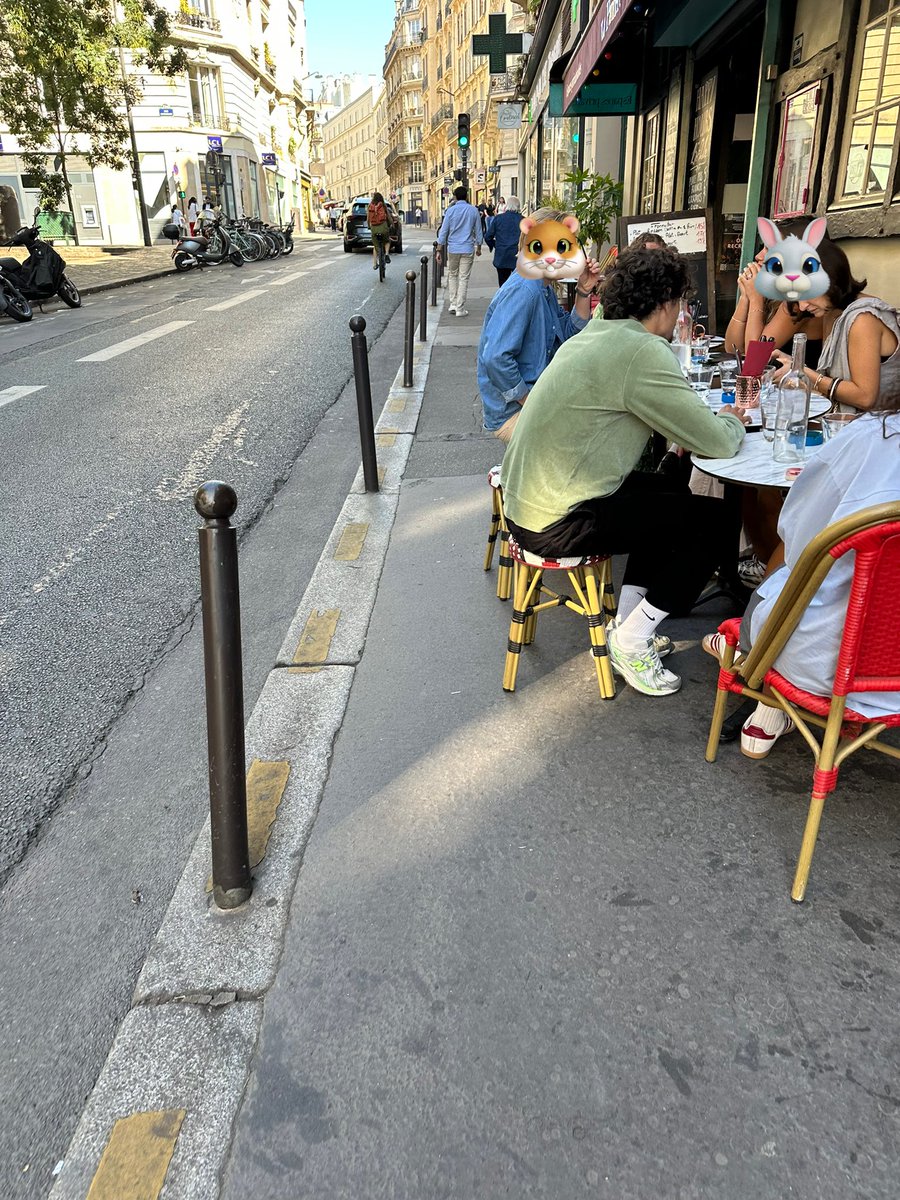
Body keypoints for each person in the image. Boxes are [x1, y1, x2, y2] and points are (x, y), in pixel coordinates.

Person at [501, 247, 750, 697]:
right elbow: (715, 440)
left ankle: (629, 624)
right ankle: (633, 639)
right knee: (716, 523)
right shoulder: (640, 351)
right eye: (681, 304)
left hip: (528, 507)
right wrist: (734, 416)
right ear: (667, 303)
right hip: (558, 520)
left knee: (668, 493)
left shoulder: (600, 331)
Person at [704, 392, 900, 757]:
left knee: (792, 563)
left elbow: (797, 533)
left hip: (823, 664)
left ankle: (746, 658)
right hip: (888, 671)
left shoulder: (872, 439)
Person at [479, 206, 601, 444]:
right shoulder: (526, 291)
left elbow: (568, 335)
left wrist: (584, 291)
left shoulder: (542, 287)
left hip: (534, 399)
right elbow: (495, 358)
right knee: (589, 441)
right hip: (513, 412)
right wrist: (532, 402)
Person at [769, 239, 900, 413]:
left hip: (880, 430)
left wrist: (803, 372)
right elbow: (832, 383)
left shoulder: (863, 319)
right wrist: (795, 367)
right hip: (846, 424)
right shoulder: (832, 312)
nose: (802, 306)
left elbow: (865, 397)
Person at [724, 219, 826, 362]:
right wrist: (745, 297)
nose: (758, 256)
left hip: (796, 382)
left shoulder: (801, 301)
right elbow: (732, 348)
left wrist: (756, 298)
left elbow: (755, 358)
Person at [436, 185, 483, 317]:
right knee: (464, 278)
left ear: (455, 197)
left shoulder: (450, 211)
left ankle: (453, 303)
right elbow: (478, 231)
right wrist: (479, 247)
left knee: (453, 275)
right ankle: (460, 308)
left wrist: (439, 250)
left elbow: (443, 231)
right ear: (467, 196)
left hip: (453, 248)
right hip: (467, 248)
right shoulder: (473, 210)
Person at [484, 195, 522, 287]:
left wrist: (495, 245)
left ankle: (504, 300)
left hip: (502, 255)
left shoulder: (498, 218)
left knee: (503, 284)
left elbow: (488, 236)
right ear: (518, 206)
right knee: (517, 285)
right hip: (517, 257)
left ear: (507, 206)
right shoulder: (523, 220)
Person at [367, 191, 392, 271]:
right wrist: (391, 224)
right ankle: (387, 254)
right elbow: (388, 216)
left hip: (374, 228)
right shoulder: (383, 205)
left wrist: (369, 226)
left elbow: (368, 218)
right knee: (387, 241)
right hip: (383, 227)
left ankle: (375, 264)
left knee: (375, 246)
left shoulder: (370, 206)